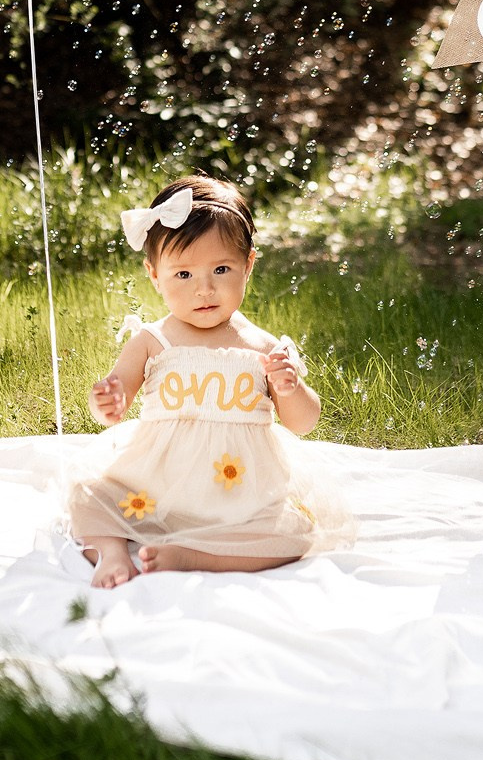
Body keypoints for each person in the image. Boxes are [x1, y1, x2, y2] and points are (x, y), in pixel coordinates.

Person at [68, 173, 345, 588]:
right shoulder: (151, 340)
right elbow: (117, 394)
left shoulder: (264, 347)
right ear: (154, 274)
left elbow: (303, 422)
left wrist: (290, 388)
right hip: (156, 484)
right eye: (183, 275)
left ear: (248, 265)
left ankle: (192, 555)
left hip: (240, 494)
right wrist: (107, 401)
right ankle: (110, 554)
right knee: (91, 495)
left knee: (294, 531)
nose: (205, 289)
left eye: (221, 268)